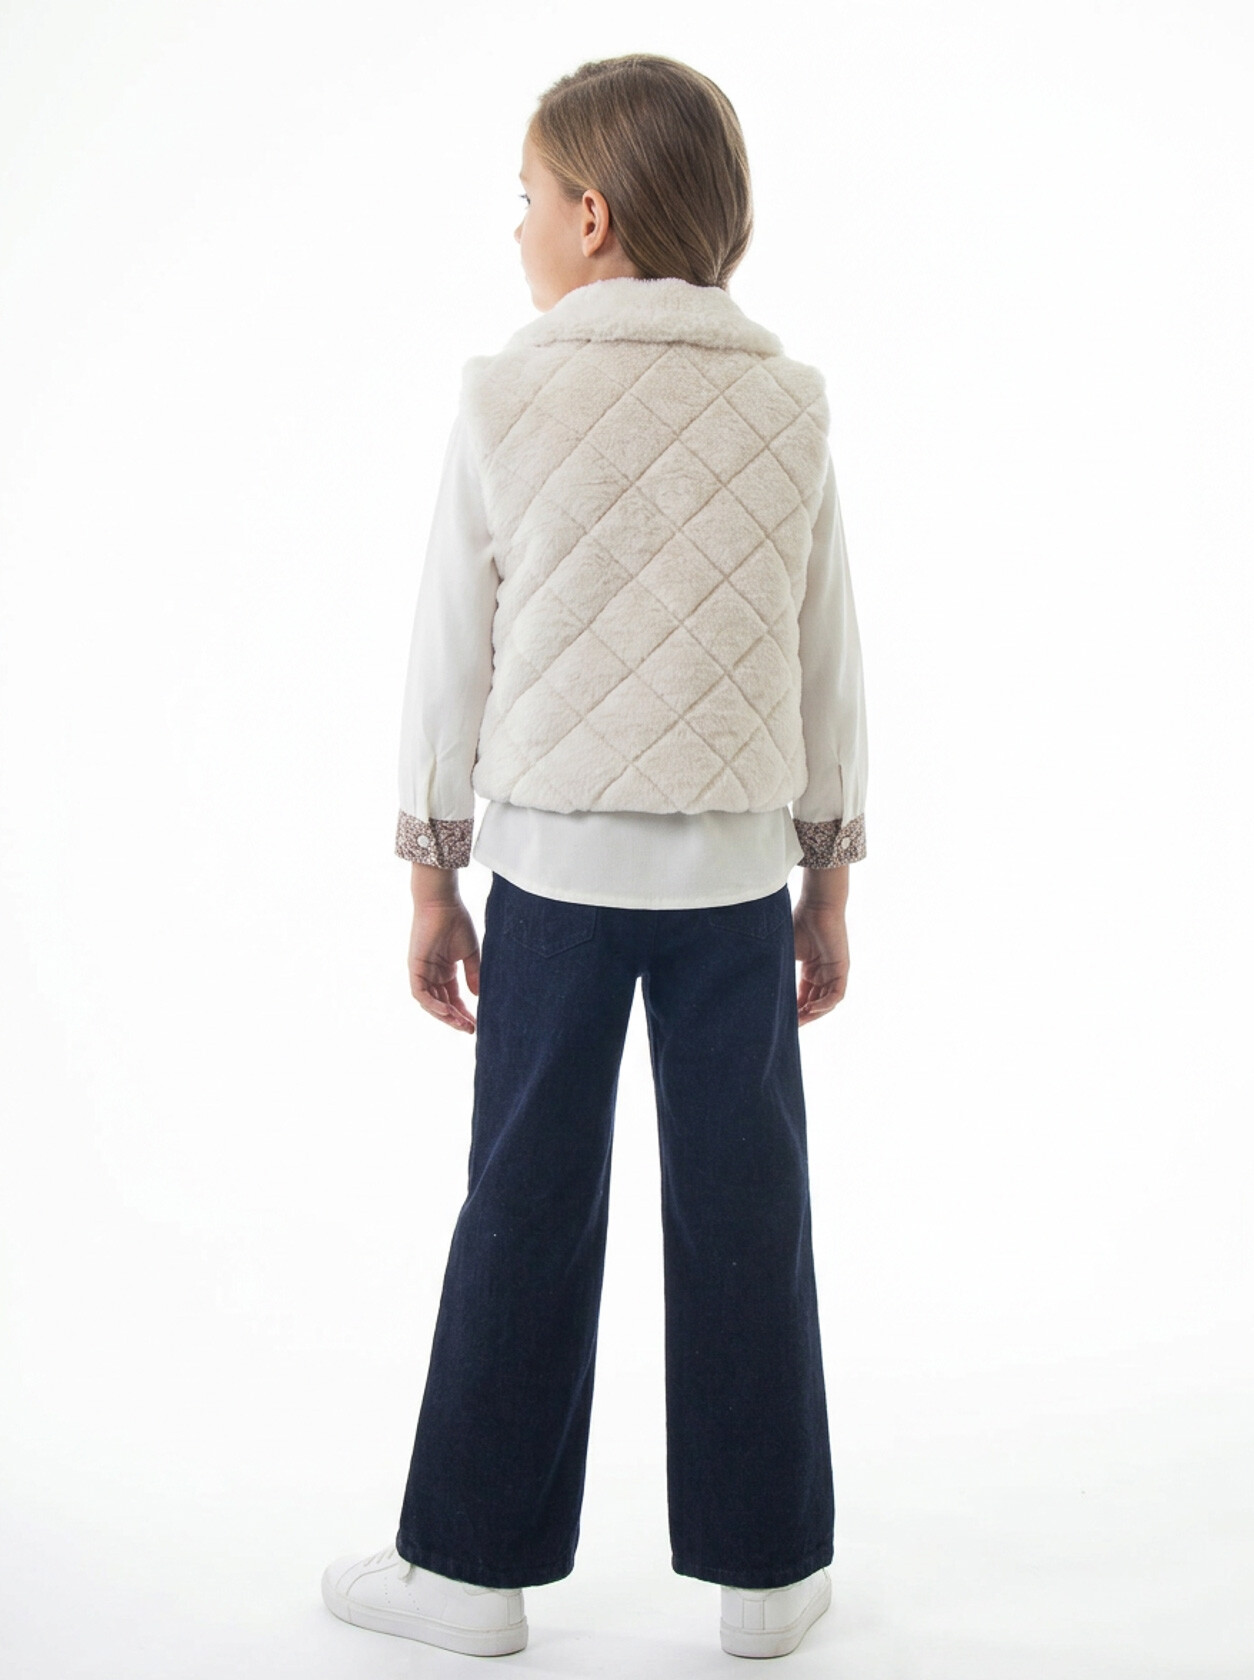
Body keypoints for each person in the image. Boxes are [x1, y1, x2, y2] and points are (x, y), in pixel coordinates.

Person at [321, 51, 869, 1662]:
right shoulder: (785, 402)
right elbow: (826, 659)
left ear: (590, 214)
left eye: (524, 197)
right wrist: (828, 878)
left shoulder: (506, 394)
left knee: (523, 1205)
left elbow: (449, 648)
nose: (513, 229)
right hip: (733, 882)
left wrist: (431, 871)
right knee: (746, 1216)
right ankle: (769, 1576)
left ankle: (468, 1574)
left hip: (554, 877)